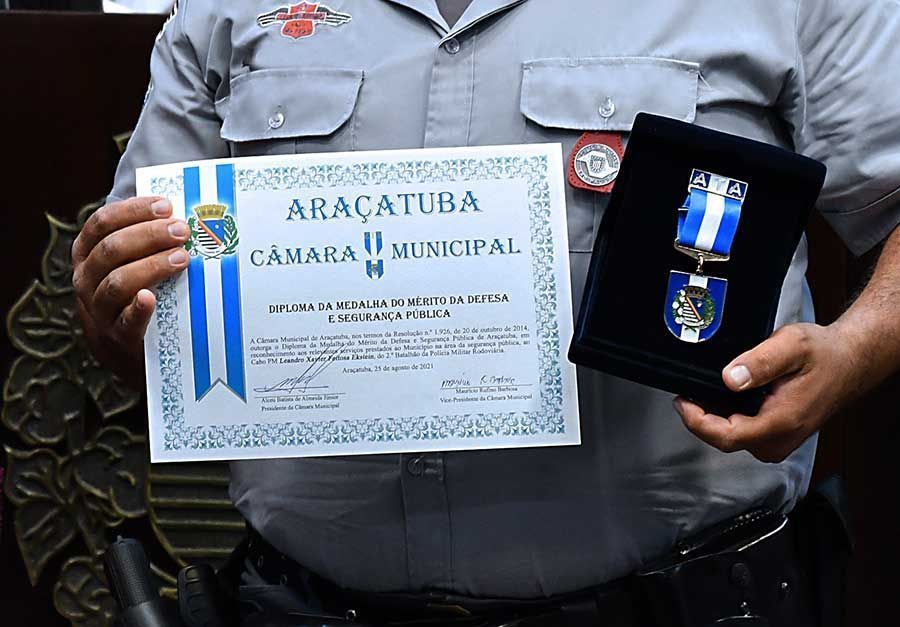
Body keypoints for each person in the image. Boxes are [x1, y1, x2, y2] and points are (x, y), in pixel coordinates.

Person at [72, 0, 900, 624]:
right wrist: (115, 303)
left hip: (686, 601)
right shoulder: (225, 8)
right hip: (303, 602)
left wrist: (853, 350)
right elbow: (144, 317)